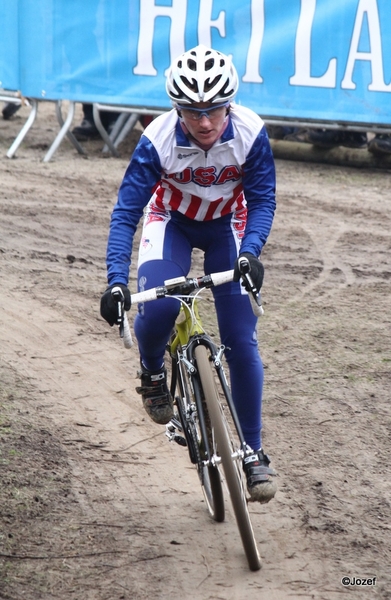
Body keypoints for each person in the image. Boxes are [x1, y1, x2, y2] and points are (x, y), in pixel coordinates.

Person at [100, 44, 277, 504]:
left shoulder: (250, 133)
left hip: (228, 227)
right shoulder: (157, 139)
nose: (204, 122)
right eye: (192, 112)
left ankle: (254, 452)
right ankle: (152, 371)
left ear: (229, 104)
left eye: (215, 110)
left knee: (241, 336)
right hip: (171, 222)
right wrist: (117, 280)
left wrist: (251, 253)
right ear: (176, 108)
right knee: (156, 312)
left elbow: (262, 201)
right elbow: (126, 215)